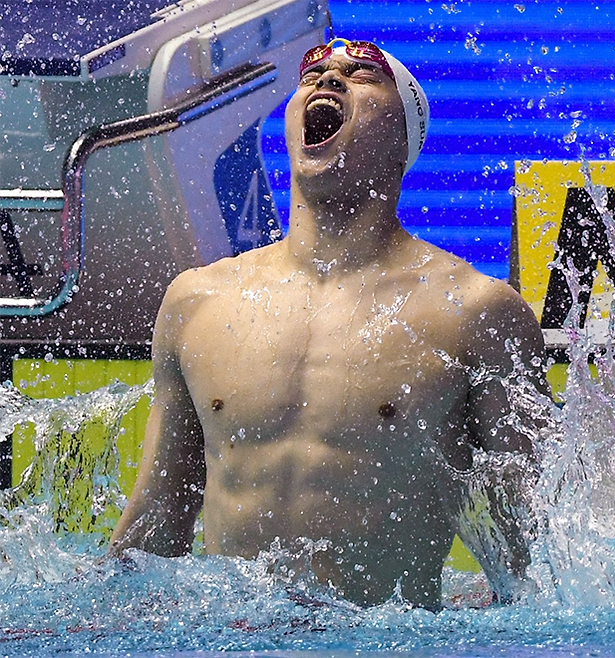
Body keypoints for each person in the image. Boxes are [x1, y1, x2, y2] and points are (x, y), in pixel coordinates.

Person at [109, 38, 547, 609]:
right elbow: (156, 524)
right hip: (229, 642)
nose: (329, 78)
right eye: (312, 72)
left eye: (363, 74)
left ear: (404, 138)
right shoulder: (198, 302)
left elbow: (534, 561)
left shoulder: (474, 312)